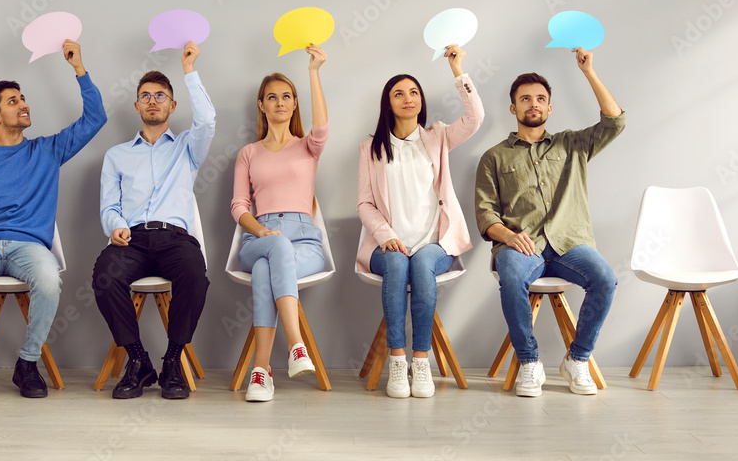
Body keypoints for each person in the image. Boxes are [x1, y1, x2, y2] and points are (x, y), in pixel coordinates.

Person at [0, 39, 106, 400]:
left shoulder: (47, 151)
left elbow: (96, 119)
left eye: (23, 98)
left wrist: (79, 68)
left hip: (28, 246)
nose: (24, 104)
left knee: (49, 278)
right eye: (13, 101)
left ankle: (28, 363)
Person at [474, 47, 625, 397]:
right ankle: (529, 362)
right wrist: (508, 238)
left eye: (540, 99)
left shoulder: (573, 144)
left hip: (570, 243)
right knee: (511, 277)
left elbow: (615, 121)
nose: (533, 104)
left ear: (549, 108)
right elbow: (485, 213)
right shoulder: (493, 157)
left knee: (605, 279)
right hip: (521, 244)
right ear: (513, 108)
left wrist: (589, 72)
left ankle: (578, 358)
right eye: (525, 99)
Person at [356, 44, 483, 398]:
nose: (407, 98)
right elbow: (364, 203)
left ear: (421, 101)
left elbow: (475, 120)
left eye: (414, 92)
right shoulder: (370, 149)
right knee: (398, 265)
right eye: (399, 93)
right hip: (389, 245)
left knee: (422, 263)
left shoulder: (438, 136)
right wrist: (385, 236)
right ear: (389, 103)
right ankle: (399, 362)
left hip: (434, 242)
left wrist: (460, 71)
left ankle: (421, 362)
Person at [93, 41, 213, 400]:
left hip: (176, 240)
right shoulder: (116, 156)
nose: (152, 100)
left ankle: (173, 361)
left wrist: (189, 71)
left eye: (160, 95)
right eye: (145, 95)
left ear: (172, 105)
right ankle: (138, 359)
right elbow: (107, 206)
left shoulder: (188, 148)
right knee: (104, 275)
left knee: (195, 275)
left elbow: (207, 119)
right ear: (136, 106)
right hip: (132, 240)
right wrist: (114, 225)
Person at [230, 44, 328, 402]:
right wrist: (259, 230)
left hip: (304, 243)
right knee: (274, 248)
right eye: (272, 97)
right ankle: (296, 345)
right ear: (262, 105)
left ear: (295, 103)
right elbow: (240, 205)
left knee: (264, 272)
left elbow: (322, 125)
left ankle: (261, 370)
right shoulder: (248, 153)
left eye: (287, 96)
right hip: (260, 237)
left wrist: (314, 71)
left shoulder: (308, 147)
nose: (280, 102)